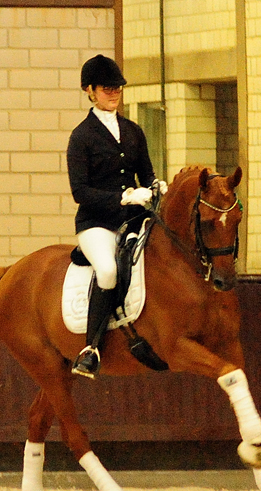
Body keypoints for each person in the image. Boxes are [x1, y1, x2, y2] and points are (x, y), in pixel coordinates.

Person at [67, 54, 166, 379]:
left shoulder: (133, 131)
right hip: (97, 222)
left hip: (135, 218)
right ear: (90, 91)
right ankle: (91, 348)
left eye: (118, 88)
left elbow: (147, 173)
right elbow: (80, 192)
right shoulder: (81, 137)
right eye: (107, 88)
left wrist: (155, 186)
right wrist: (122, 196)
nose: (114, 93)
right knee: (108, 269)